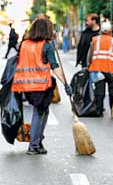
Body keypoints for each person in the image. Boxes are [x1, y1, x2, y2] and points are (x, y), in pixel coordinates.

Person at [11, 16, 72, 154]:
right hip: (41, 85)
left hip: (25, 86)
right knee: (39, 112)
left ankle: (37, 142)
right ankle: (33, 145)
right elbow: (55, 67)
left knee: (42, 111)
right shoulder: (46, 45)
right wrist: (65, 83)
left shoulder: (24, 44)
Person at [85, 21, 113, 116]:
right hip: (111, 69)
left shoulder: (95, 40)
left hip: (97, 69)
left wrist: (88, 64)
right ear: (110, 31)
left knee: (99, 91)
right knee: (112, 90)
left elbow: (90, 54)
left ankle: (99, 110)